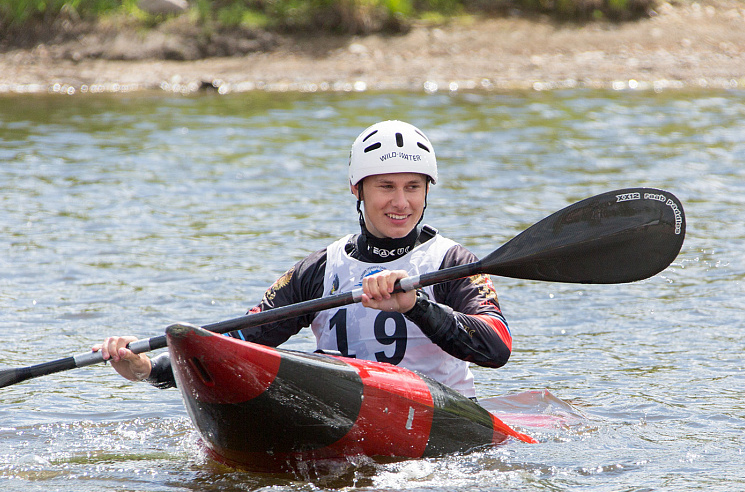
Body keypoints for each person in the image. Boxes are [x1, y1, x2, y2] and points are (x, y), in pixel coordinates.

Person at [96, 120, 512, 398]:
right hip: (346, 406)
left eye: (413, 187)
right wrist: (147, 368)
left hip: (440, 412)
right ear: (358, 190)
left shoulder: (455, 262)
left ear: (427, 190)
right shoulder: (319, 269)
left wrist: (416, 305)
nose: (400, 202)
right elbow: (238, 343)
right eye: (386, 187)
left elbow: (496, 347)